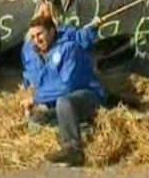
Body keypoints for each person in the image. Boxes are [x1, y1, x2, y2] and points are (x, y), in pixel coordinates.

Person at [21, 15, 107, 167]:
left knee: (64, 102)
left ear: (52, 31)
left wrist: (36, 98)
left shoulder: (68, 48)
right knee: (35, 120)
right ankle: (83, 127)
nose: (36, 40)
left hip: (87, 95)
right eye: (33, 36)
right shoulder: (39, 54)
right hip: (60, 104)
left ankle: (73, 150)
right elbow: (38, 80)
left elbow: (65, 87)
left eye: (40, 34)